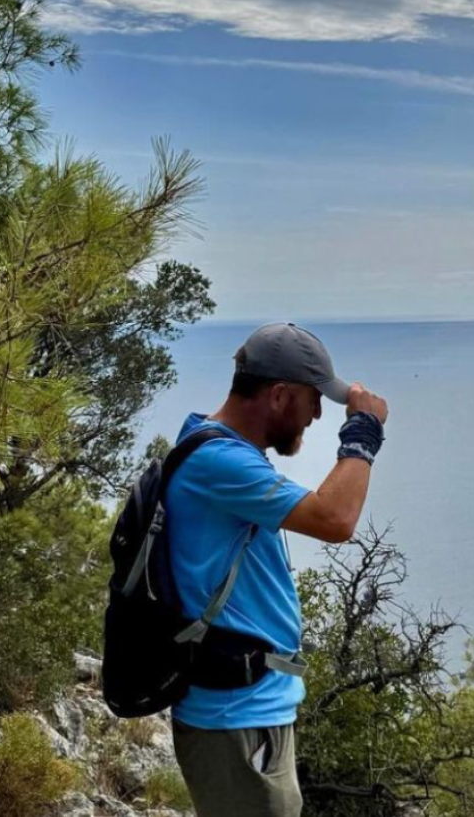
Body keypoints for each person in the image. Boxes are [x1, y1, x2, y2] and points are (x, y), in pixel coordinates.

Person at [166, 321, 389, 817]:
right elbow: (336, 519)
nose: (316, 414)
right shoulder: (219, 462)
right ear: (279, 395)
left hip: (248, 709)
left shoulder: (216, 445)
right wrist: (363, 432)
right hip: (232, 717)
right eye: (313, 400)